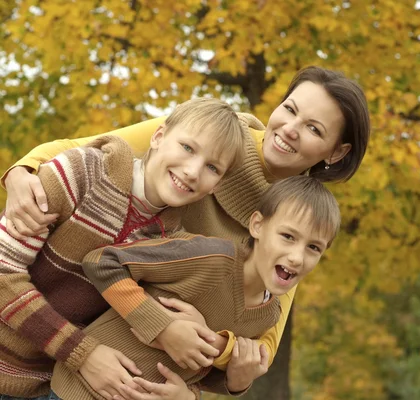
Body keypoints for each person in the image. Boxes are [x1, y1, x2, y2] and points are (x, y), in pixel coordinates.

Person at [1, 66, 371, 397]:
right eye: (290, 109)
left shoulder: (295, 220)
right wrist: (22, 172)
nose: (290, 129)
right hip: (56, 336)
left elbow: (261, 334)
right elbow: (84, 150)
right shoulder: (215, 134)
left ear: (335, 153)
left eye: (313, 129)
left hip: (88, 357)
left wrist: (211, 357)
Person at [0, 98, 246, 399]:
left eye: (212, 167)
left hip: (49, 387)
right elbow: (2, 273)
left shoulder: (172, 246)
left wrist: (190, 395)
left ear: (217, 185)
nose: (193, 171)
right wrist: (83, 354)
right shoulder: (82, 172)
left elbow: (146, 342)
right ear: (158, 136)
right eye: (188, 147)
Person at [49, 175, 340, 400]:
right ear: (258, 226)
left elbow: (197, 370)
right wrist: (162, 327)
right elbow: (102, 261)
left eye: (314, 247)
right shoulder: (210, 257)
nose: (297, 257)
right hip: (78, 389)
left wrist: (222, 386)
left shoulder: (268, 317)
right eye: (288, 236)